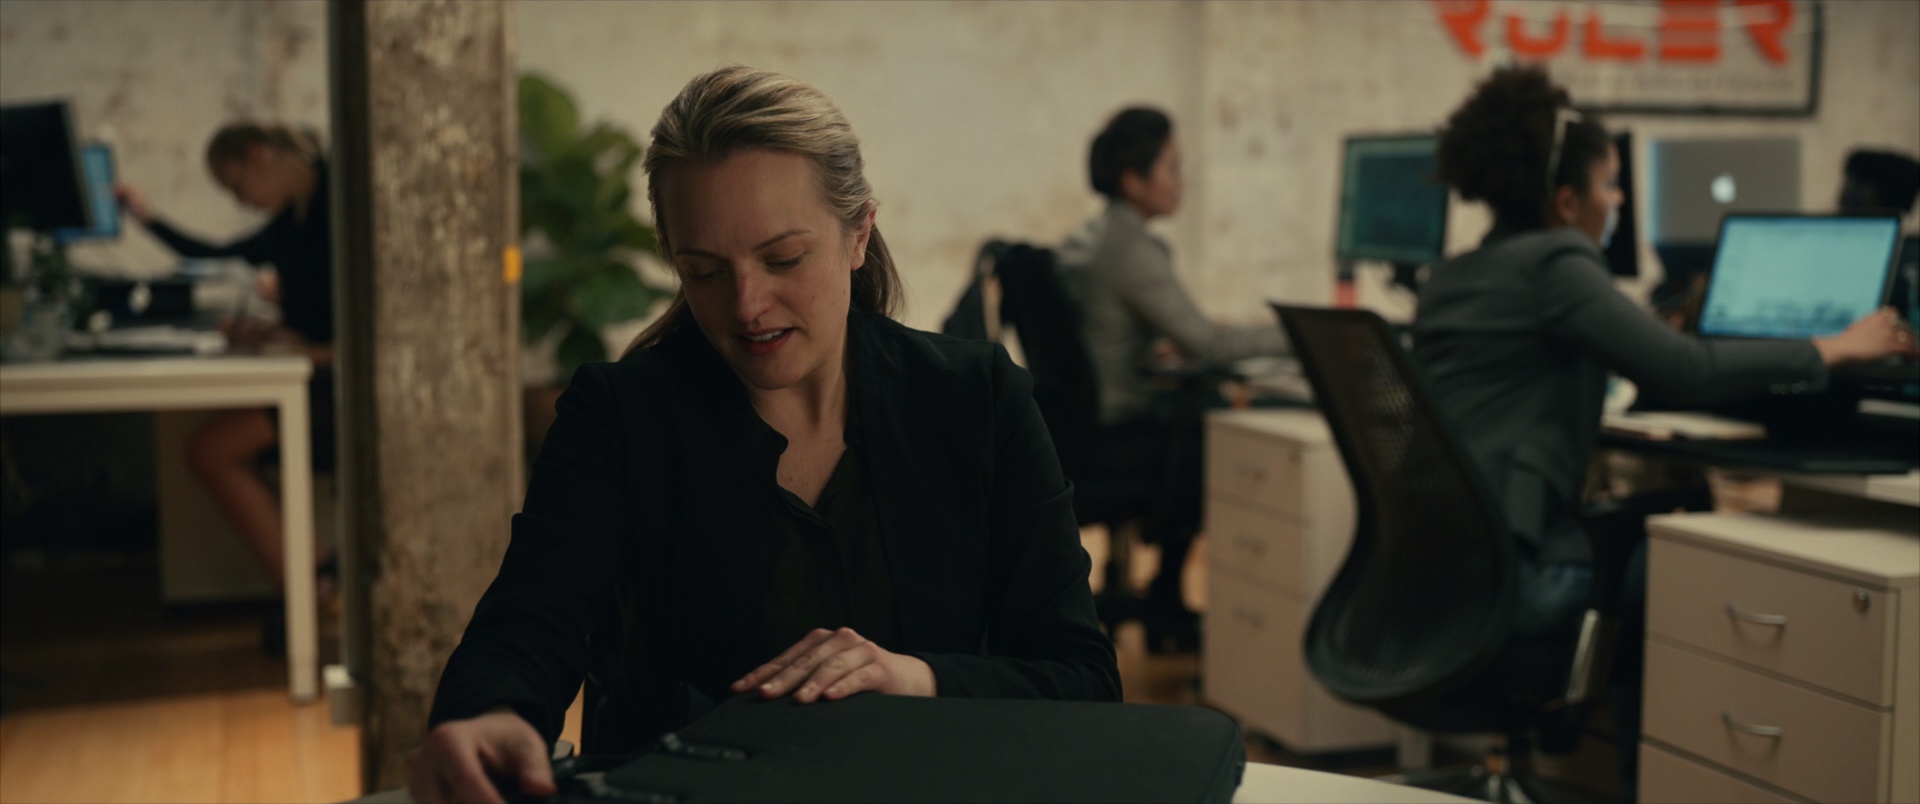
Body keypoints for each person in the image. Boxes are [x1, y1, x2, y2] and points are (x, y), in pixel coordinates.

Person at [409, 66, 1121, 804]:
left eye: (783, 259)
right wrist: (491, 716)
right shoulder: (621, 416)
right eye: (704, 272)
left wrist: (914, 679)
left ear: (858, 234)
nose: (747, 305)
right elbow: (530, 623)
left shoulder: (976, 399)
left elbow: (1081, 678)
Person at [1417, 64, 1917, 796]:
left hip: (1448, 575)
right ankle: (1645, 782)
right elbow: (1685, 371)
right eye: (1610, 185)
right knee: (1671, 537)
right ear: (1566, 201)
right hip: (1523, 582)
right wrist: (1833, 347)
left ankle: (1613, 757)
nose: (1618, 200)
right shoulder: (1558, 262)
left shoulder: (1455, 275)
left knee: (1652, 524)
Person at [1054, 107, 1288, 652]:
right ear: (1134, 181)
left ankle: (1165, 596)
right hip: (1118, 435)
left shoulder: (1091, 237)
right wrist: (1297, 334)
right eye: (1173, 168)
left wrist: (1149, 345)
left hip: (1081, 429)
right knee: (1224, 430)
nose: (1183, 181)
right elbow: (1210, 345)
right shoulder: (1131, 249)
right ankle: (1168, 600)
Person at [115, 123, 337, 610]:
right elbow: (213, 255)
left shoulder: (337, 205)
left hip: (340, 390)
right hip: (314, 375)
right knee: (208, 449)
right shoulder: (294, 217)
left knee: (210, 451)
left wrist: (310, 352)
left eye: (237, 186)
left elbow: (370, 333)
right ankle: (314, 575)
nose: (241, 201)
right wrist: (276, 335)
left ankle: (314, 584)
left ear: (258, 154)